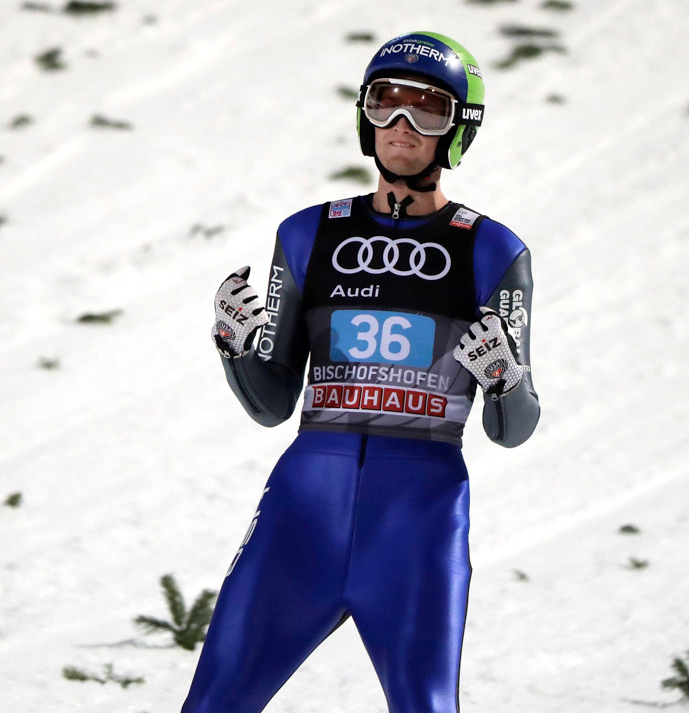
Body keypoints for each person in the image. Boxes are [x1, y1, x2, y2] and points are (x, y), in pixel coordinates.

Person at [183, 31, 540, 713]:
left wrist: (507, 383)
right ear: (362, 115)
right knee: (213, 702)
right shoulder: (308, 233)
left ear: (459, 129)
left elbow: (514, 428)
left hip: (418, 517)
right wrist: (236, 349)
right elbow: (272, 402)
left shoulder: (493, 249)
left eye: (426, 110)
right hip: (302, 510)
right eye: (384, 103)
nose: (400, 126)